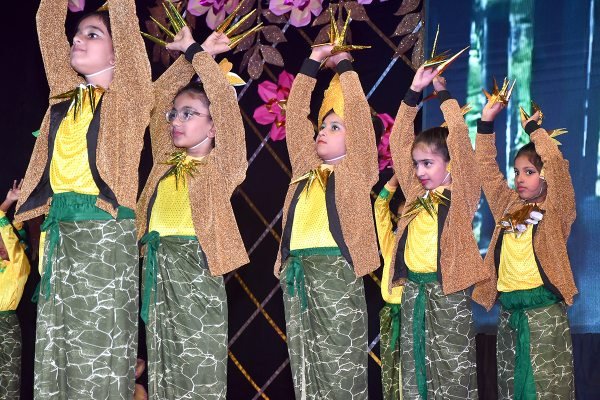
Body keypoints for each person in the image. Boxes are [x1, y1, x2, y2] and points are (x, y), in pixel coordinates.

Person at [14, 0, 153, 397]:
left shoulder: (129, 97)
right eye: (77, 34)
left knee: (97, 349)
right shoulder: (65, 94)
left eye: (93, 35)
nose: (78, 39)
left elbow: (125, 21)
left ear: (118, 52)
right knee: (56, 347)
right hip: (60, 230)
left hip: (104, 229)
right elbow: (47, 21)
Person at [136, 26, 248, 399]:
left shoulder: (223, 165)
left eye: (189, 114)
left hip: (196, 269)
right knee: (163, 369)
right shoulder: (164, 161)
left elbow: (226, 105)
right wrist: (190, 58)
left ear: (213, 127)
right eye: (175, 115)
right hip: (157, 268)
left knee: (199, 369)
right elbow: (157, 99)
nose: (176, 121)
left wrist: (199, 54)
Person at [275, 43, 380, 399]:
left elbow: (360, 119)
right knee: (305, 371)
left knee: (340, 369)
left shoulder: (357, 169)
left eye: (335, 127)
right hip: (297, 272)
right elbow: (295, 117)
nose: (322, 131)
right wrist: (313, 62)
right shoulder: (305, 167)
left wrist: (345, 67)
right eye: (323, 125)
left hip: (336, 272)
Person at [388, 68, 488, 399]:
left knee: (453, 371)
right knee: (415, 369)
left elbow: (459, 140)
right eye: (416, 164)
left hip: (448, 290)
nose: (419, 171)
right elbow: (398, 141)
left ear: (450, 164)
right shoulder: (416, 194)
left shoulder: (462, 193)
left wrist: (443, 95)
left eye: (428, 163)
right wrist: (413, 91)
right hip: (414, 291)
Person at [473, 98, 577, 399]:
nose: (519, 178)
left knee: (544, 390)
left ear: (544, 176)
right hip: (509, 313)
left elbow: (555, 164)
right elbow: (486, 169)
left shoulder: (557, 208)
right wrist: (486, 123)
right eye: (517, 172)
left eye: (529, 172)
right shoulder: (508, 205)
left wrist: (534, 130)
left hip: (543, 312)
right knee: (511, 390)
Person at [374, 173, 404, 400]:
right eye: (400, 217)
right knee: (392, 376)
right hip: (390, 315)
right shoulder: (390, 243)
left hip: (416, 314)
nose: (403, 222)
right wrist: (396, 177)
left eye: (409, 216)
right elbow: (380, 207)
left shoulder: (424, 245)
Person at [0, 180, 30, 400]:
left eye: (4, 240)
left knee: (9, 381)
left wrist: (8, 202)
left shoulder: (19, 264)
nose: (1, 245)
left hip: (6, 324)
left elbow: (10, 237)